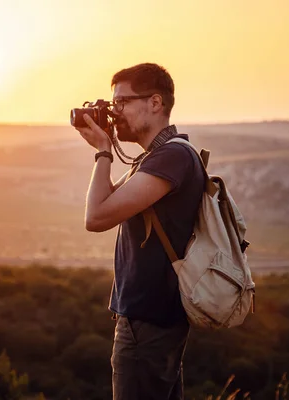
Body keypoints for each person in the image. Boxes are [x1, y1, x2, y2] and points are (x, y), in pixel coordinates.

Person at [74, 63, 206, 399]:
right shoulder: (154, 158)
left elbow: (97, 217)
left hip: (150, 321)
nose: (114, 112)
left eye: (121, 103)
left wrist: (104, 151)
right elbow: (104, 201)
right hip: (150, 318)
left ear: (155, 103)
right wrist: (105, 145)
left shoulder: (172, 157)